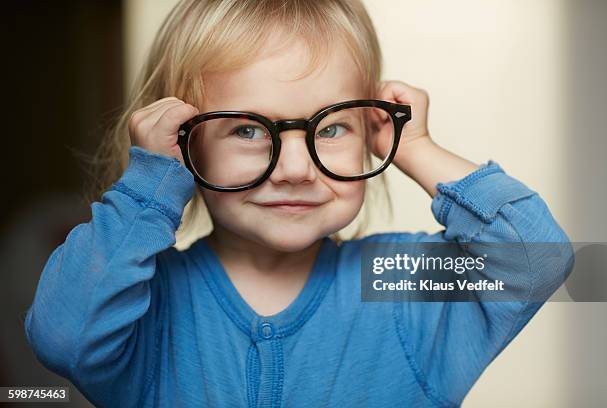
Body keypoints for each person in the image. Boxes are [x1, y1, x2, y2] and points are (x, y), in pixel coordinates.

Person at [24, 0, 573, 406]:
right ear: (183, 143)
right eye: (246, 130)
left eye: (331, 127)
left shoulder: (395, 283)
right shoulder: (148, 303)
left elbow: (536, 259)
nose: (293, 169)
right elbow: (62, 335)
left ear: (371, 131)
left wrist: (418, 149)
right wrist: (150, 187)